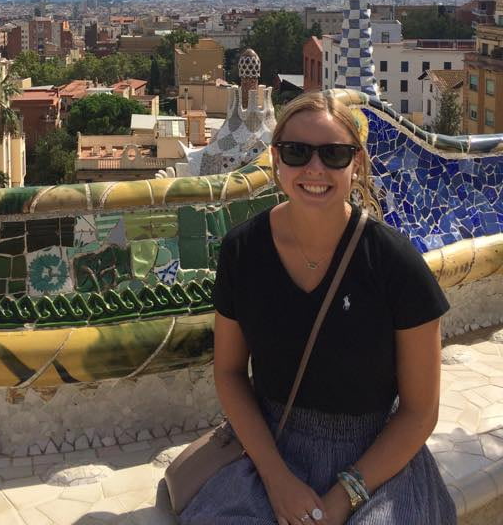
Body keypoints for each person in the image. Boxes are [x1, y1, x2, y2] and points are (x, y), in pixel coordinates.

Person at [180, 91, 455, 525]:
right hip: (271, 446)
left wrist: (343, 498)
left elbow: (421, 411)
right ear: (275, 159)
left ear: (357, 164)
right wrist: (275, 478)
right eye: (296, 152)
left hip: (375, 458)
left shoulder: (393, 262)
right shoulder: (244, 251)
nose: (314, 169)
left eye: (333, 155)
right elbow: (230, 372)